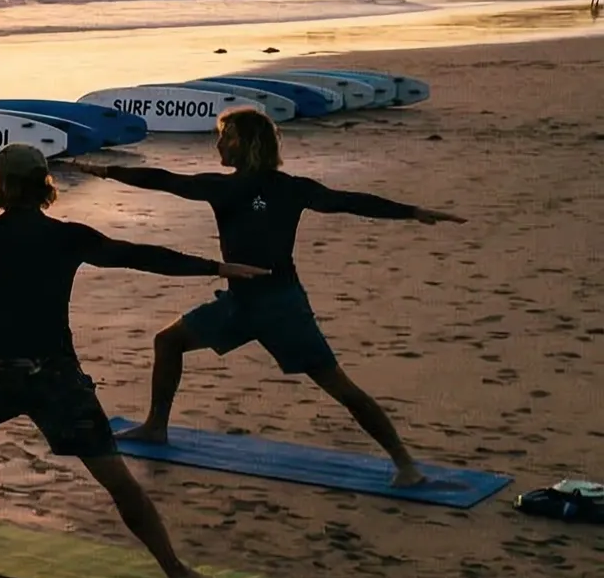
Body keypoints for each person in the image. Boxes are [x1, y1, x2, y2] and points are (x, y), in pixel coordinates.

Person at [0, 144, 266, 578]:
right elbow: (137, 254)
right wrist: (216, 267)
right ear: (43, 187)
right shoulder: (68, 237)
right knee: (118, 481)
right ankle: (177, 572)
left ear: (1, 186)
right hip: (59, 381)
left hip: (1, 377)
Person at [63, 108, 462, 486]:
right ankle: (155, 427)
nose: (218, 146)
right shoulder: (287, 188)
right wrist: (411, 211)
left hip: (280, 307)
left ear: (244, 143)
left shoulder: (230, 187)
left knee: (337, 384)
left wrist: (107, 170)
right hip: (241, 303)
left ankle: (405, 463)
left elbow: (167, 180)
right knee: (168, 341)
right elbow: (346, 200)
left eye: (225, 138)